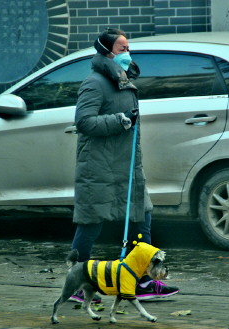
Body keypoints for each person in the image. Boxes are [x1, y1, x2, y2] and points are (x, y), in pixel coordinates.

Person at [69, 28, 179, 302]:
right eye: (121, 49)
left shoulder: (123, 80)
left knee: (142, 218)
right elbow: (83, 122)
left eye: (128, 48)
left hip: (127, 167)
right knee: (91, 224)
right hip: (99, 168)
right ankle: (78, 286)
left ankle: (141, 281)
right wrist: (121, 120)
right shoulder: (94, 83)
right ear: (106, 52)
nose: (127, 54)